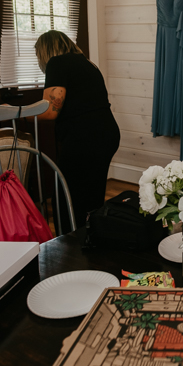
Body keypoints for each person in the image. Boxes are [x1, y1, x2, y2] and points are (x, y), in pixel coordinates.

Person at [34, 30, 120, 231]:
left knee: (65, 195)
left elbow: (50, 111)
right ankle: (93, 235)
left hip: (84, 138)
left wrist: (19, 114)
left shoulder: (57, 63)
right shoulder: (88, 64)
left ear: (46, 50)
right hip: (107, 133)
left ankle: (69, 243)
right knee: (93, 193)